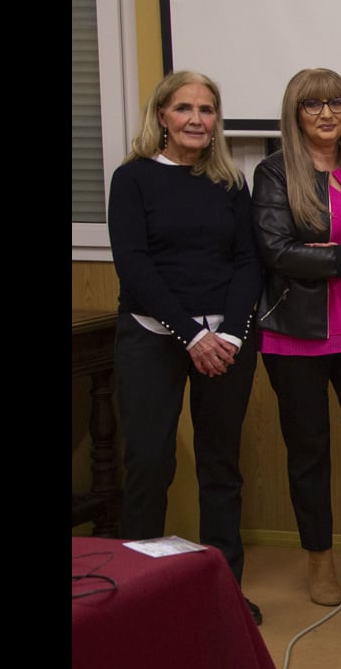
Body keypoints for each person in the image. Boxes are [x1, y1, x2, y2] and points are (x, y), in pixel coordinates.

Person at [109, 71, 264, 624]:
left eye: (207, 109)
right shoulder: (133, 180)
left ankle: (224, 595)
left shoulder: (229, 184)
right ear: (162, 118)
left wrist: (229, 334)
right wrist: (191, 334)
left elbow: (249, 261)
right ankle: (138, 601)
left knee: (221, 468)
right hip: (154, 336)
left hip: (226, 342)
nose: (197, 119)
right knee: (150, 463)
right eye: (184, 109)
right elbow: (135, 267)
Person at [254, 68, 341, 606]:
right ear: (295, 112)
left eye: (337, 102)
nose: (327, 113)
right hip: (296, 334)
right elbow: (276, 250)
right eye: (313, 105)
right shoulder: (272, 172)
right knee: (308, 452)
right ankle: (319, 557)